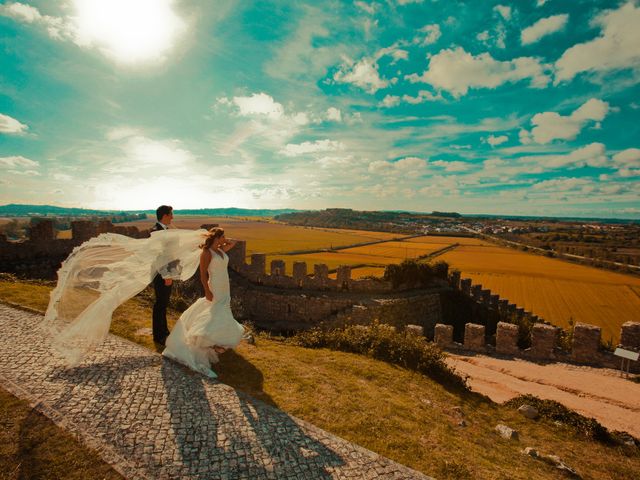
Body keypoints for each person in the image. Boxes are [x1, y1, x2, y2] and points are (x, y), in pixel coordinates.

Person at [162, 227, 244, 378]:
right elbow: (202, 275)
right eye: (222, 236)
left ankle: (215, 343)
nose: (225, 239)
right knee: (216, 313)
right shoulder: (206, 253)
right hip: (215, 286)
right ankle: (206, 341)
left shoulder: (220, 250)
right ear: (216, 237)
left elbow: (234, 243)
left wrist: (224, 240)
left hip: (225, 287)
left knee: (221, 312)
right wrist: (207, 291)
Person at [151, 205, 174, 345]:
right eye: (171, 214)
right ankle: (158, 335)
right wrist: (166, 275)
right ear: (164, 215)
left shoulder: (165, 230)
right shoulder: (155, 232)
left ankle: (164, 331)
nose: (173, 217)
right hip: (161, 274)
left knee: (163, 304)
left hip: (166, 273)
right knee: (160, 304)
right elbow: (157, 257)